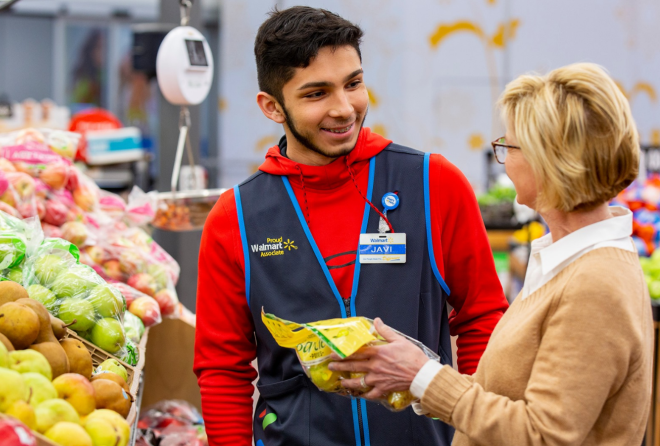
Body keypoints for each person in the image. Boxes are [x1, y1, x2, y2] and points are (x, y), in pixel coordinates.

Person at [194, 6, 509, 446]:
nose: (344, 109)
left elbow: (482, 319)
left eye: (353, 84)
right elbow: (222, 368)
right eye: (316, 93)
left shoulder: (433, 184)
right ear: (272, 107)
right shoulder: (237, 219)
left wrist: (479, 433)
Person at [331, 63, 653, 445]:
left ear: (550, 161)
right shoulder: (571, 261)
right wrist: (415, 375)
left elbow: (543, 435)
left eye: (509, 145)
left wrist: (423, 375)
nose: (504, 160)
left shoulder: (593, 285)